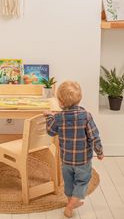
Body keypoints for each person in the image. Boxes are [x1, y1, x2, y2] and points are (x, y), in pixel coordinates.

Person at [44, 81, 104, 218]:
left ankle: (71, 202)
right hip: (83, 160)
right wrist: (99, 152)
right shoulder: (86, 116)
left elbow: (50, 132)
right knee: (82, 181)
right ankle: (71, 205)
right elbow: (94, 136)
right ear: (79, 98)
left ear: (60, 101)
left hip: (66, 160)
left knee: (69, 182)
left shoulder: (58, 118)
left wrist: (49, 116)